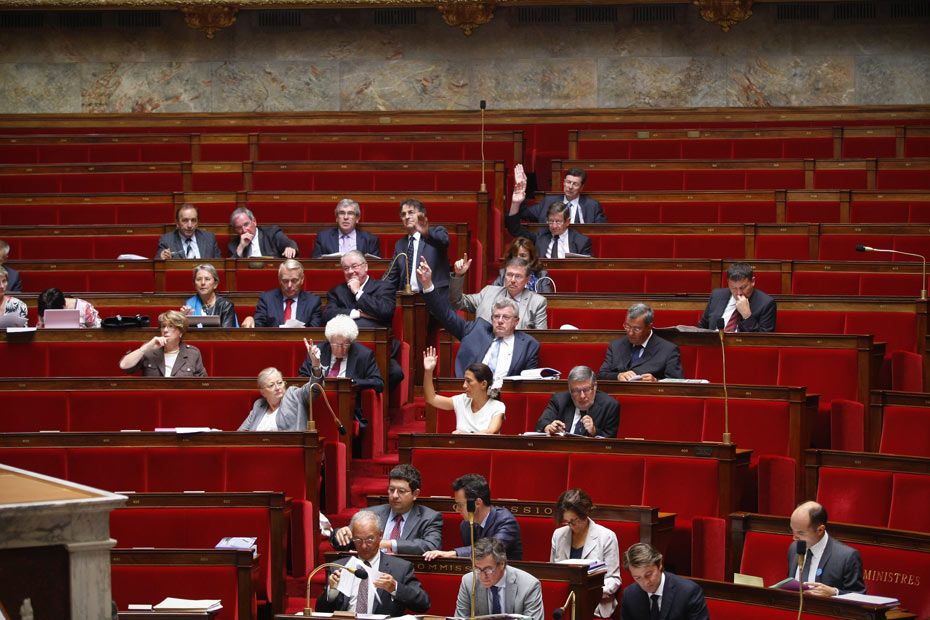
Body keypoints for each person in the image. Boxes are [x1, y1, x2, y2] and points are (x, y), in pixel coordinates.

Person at [418, 257, 539, 381]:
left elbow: (530, 383)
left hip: (504, 391)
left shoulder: (528, 345)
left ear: (516, 321)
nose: (500, 320)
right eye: (496, 316)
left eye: (506, 317)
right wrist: (428, 285)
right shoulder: (476, 330)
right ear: (491, 318)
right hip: (469, 389)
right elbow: (444, 314)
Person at [315, 510, 430, 616]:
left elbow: (423, 604)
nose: (364, 546)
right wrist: (332, 592)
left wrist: (395, 587)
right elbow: (320, 611)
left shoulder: (400, 568)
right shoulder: (338, 568)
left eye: (370, 539)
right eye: (358, 540)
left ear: (380, 536)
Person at [321, 250, 402, 389]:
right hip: (343, 348)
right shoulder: (337, 291)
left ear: (365, 266)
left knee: (395, 372)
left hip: (376, 349)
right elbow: (328, 315)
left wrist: (358, 293)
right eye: (346, 268)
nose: (350, 271)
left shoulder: (383, 287)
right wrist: (357, 314)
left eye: (354, 266)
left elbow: (385, 311)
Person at [331, 464, 443, 555]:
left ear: (415, 494)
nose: (394, 495)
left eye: (401, 491)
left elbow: (431, 545)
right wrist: (339, 535)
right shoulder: (370, 514)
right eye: (391, 489)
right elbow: (346, 543)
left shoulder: (429, 518)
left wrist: (389, 544)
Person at [299, 315, 384, 425]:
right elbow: (302, 378)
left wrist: (351, 382)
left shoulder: (364, 355)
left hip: (346, 410)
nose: (340, 349)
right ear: (329, 340)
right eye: (336, 344)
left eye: (345, 345)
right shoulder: (317, 351)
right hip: (316, 406)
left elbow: (378, 383)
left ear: (351, 341)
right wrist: (315, 365)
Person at [550, 489, 621, 618]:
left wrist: (589, 592)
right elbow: (553, 573)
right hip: (563, 604)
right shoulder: (558, 535)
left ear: (585, 513)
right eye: (567, 521)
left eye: (574, 520)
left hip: (595, 604)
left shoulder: (606, 536)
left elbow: (613, 579)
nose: (571, 525)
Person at [424, 473, 523, 561]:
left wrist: (453, 553)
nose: (457, 510)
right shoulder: (465, 525)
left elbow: (491, 550)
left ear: (478, 503)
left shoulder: (506, 521)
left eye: (460, 505)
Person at [787, 500, 866, 597]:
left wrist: (834, 593)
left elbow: (860, 596)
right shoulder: (794, 548)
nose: (794, 538)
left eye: (801, 533)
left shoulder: (847, 557)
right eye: (792, 530)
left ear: (820, 530)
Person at [454, 537, 543, 620]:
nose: (482, 576)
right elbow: (460, 618)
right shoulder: (468, 582)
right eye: (477, 569)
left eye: (488, 569)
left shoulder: (529, 585)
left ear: (501, 564)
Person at [451, 253, 547, 329]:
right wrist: (459, 275)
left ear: (527, 279)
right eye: (509, 275)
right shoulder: (488, 292)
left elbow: (540, 338)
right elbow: (456, 302)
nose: (513, 280)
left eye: (518, 276)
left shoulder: (537, 302)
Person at [423, 346, 505, 434]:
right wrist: (428, 371)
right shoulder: (461, 400)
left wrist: (463, 435)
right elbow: (431, 398)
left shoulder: (497, 406)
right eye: (464, 381)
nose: (464, 385)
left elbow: (491, 431)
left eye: (469, 381)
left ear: (483, 384)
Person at [621, 542, 709, 620]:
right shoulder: (629, 595)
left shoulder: (689, 592)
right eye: (638, 578)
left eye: (648, 575)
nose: (645, 582)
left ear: (660, 564)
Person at [597, 303, 683, 382]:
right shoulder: (615, 346)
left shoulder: (668, 350)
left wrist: (656, 381)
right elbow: (601, 375)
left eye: (636, 329)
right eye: (627, 326)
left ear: (649, 327)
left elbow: (676, 384)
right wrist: (618, 376)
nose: (630, 333)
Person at [382, 198, 451, 295]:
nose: (406, 217)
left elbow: (444, 241)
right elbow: (391, 277)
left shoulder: (435, 233)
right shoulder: (400, 244)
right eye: (403, 214)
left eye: (411, 212)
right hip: (407, 298)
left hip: (434, 296)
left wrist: (426, 233)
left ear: (422, 214)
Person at [535, 366, 619, 438]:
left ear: (595, 386)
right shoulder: (559, 400)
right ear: (570, 390)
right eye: (576, 391)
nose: (582, 396)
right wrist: (548, 427)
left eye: (586, 390)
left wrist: (594, 431)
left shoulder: (609, 406)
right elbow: (541, 423)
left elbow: (610, 442)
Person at [118, 310, 207, 377]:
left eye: (171, 326)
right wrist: (145, 348)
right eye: (163, 326)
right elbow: (124, 366)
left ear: (181, 332)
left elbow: (202, 384)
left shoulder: (192, 353)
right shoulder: (150, 350)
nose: (165, 330)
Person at [238, 362, 323, 431]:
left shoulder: (293, 395)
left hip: (289, 446)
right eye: (271, 385)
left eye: (279, 383)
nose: (277, 388)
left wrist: (316, 366)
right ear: (263, 392)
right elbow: (241, 433)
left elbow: (314, 389)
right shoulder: (259, 405)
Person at [513, 164, 606, 224]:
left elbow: (601, 232)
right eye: (568, 182)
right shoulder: (548, 201)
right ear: (564, 183)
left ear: (581, 187)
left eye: (575, 184)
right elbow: (523, 214)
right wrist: (520, 193)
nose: (570, 187)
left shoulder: (592, 206)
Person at [698, 262, 776, 332]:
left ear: (752, 281)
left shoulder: (766, 303)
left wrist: (747, 316)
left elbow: (764, 339)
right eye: (734, 288)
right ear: (728, 283)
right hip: (714, 342)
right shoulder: (717, 295)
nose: (739, 293)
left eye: (743, 287)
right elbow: (702, 327)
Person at [242, 259, 321, 328]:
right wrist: (250, 318)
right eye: (285, 281)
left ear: (302, 280)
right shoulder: (267, 299)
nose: (289, 285)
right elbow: (258, 326)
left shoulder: (313, 302)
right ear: (279, 280)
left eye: (294, 281)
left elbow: (313, 332)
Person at [506, 200, 592, 259]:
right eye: (551, 221)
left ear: (567, 222)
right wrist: (515, 203)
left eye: (558, 222)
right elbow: (515, 229)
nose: (554, 226)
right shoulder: (540, 236)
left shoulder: (581, 242)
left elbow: (586, 269)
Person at [311, 198, 381, 258]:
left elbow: (376, 266)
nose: (345, 217)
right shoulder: (323, 238)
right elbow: (315, 264)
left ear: (357, 218)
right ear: (337, 218)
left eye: (350, 213)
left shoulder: (370, 240)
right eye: (342, 213)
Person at [156, 204, 222, 260]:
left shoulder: (209, 239)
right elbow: (158, 263)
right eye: (185, 220)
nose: (189, 225)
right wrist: (161, 257)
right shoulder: (167, 240)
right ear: (177, 223)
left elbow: (219, 264)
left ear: (197, 223)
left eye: (193, 220)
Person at [227, 207, 298, 259]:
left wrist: (290, 248)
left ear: (254, 221)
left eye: (246, 224)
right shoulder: (233, 245)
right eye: (239, 228)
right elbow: (231, 265)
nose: (244, 230)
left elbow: (289, 243)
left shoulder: (271, 233)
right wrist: (241, 247)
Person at [36, 287, 101, 328]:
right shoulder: (44, 306)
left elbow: (97, 329)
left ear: (63, 306)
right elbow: (40, 330)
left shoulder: (84, 307)